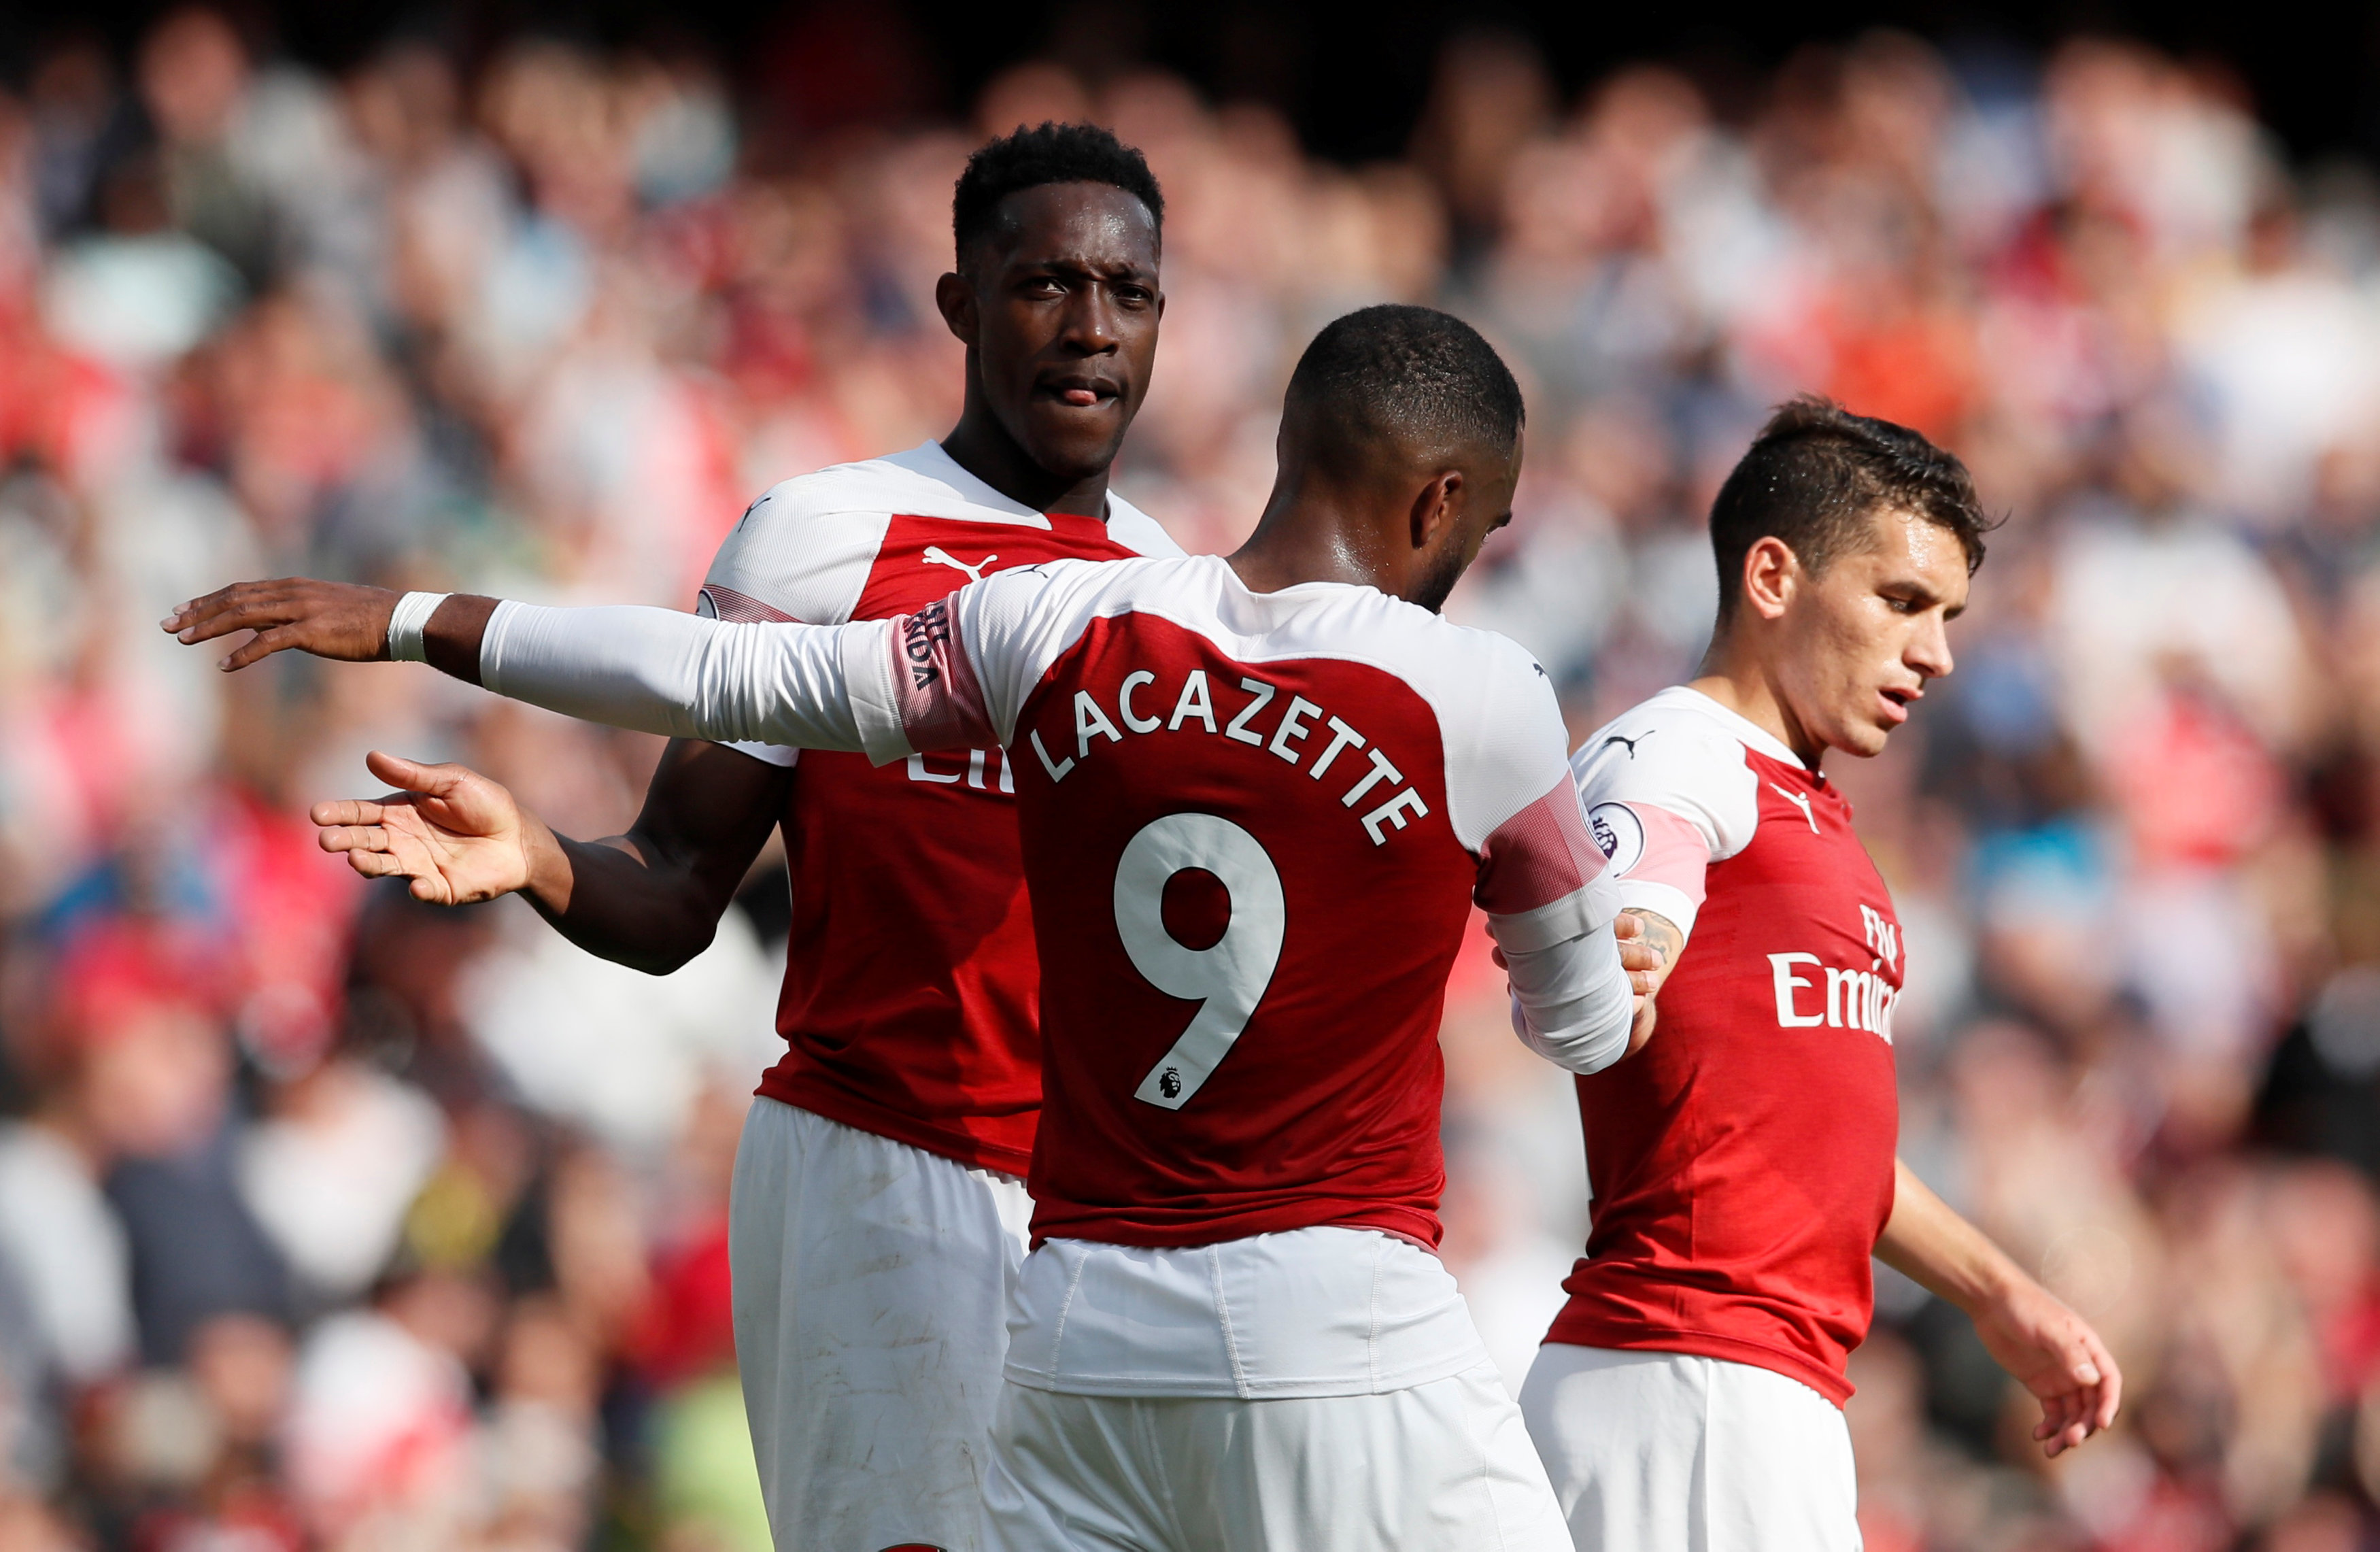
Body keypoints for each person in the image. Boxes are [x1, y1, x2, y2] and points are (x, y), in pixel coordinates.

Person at [169, 304, 1658, 1551]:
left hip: (1085, 1336)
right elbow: (1584, 1026)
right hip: (1338, 1322)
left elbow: (726, 677)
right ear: (1441, 505)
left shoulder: (1052, 621)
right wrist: (1618, 965)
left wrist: (414, 618)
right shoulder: (1485, 696)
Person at [177, 121, 1180, 1552]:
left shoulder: (1179, 592)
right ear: (962, 305)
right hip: (881, 1169)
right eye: (1046, 285)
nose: (1091, 327)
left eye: (1128, 292)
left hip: (1100, 1207)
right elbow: (675, 888)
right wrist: (540, 854)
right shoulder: (829, 534)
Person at [1520, 399, 2122, 1552]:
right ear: (1772, 578)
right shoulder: (1679, 751)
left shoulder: (1806, 803)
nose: (1936, 652)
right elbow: (1606, 973)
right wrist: (1610, 959)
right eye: (1901, 600)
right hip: (1691, 1382)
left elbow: (1805, 1133)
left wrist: (1998, 1291)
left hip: (1744, 1391)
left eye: (1947, 615)